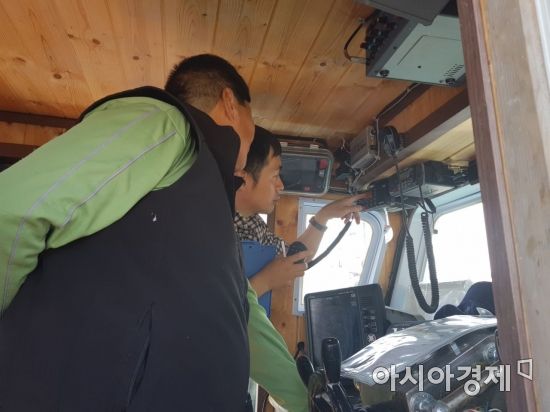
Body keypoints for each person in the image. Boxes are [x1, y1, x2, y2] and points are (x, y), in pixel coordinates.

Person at [0, 54, 255, 411]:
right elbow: (16, 208)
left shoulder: (207, 192)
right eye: (253, 115)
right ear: (230, 103)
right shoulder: (163, 122)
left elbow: (240, 313)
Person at [235, 127, 367, 411]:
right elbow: (224, 306)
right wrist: (265, 281)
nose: (281, 185)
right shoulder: (211, 227)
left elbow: (295, 257)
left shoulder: (252, 225)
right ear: (244, 177)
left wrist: (323, 217)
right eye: (275, 175)